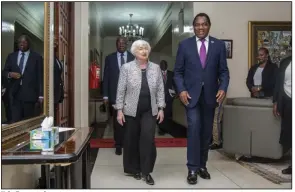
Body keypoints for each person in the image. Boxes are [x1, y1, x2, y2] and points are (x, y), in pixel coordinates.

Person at [173, 13, 229, 185]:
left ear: (209, 26)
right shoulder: (184, 45)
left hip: (210, 96)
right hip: (191, 97)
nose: (200, 27)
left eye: (204, 24)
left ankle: (202, 166)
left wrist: (222, 87)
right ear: (193, 26)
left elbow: (224, 72)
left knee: (206, 134)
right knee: (194, 129)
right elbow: (178, 72)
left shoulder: (218, 45)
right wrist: (181, 90)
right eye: (197, 24)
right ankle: (192, 168)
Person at [115, 39, 165, 185]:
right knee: (131, 139)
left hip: (150, 109)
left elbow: (161, 89)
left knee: (147, 139)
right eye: (140, 49)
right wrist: (119, 110)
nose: (143, 51)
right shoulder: (126, 68)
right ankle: (134, 169)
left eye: (145, 48)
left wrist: (161, 108)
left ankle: (146, 171)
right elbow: (120, 89)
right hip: (130, 109)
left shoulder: (155, 68)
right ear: (134, 53)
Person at [102, 36, 134, 155]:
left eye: (124, 43)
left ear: (127, 44)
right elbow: (106, 77)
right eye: (119, 43)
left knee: (129, 120)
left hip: (130, 96)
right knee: (117, 121)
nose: (121, 44)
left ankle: (127, 142)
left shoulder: (132, 58)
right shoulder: (109, 58)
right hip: (114, 95)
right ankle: (118, 144)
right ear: (116, 44)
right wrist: (105, 95)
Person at [2, 34, 43, 123]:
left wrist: (41, 95)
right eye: (20, 42)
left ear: (28, 43)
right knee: (15, 121)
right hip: (14, 94)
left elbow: (40, 76)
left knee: (28, 122)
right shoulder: (11, 56)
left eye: (24, 42)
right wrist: (10, 74)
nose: (22, 44)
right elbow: (4, 72)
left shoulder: (36, 57)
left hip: (30, 95)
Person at [273, 38, 292, 175]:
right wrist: (276, 102)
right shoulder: (285, 62)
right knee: (289, 132)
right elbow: (278, 84)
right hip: (287, 100)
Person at [158, 60, 175, 135]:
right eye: (161, 64)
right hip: (159, 98)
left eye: (164, 64)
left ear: (167, 65)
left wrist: (176, 92)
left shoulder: (171, 73)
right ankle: (161, 129)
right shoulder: (157, 74)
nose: (163, 66)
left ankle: (166, 128)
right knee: (160, 113)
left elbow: (175, 84)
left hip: (169, 97)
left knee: (167, 114)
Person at [53, 38, 64, 125]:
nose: (55, 45)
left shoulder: (56, 59)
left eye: (56, 44)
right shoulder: (46, 59)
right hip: (51, 92)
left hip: (57, 91)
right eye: (53, 43)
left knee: (55, 115)